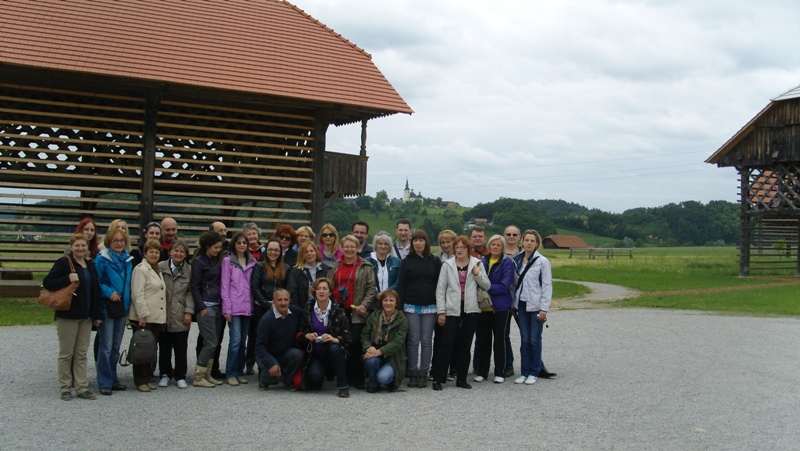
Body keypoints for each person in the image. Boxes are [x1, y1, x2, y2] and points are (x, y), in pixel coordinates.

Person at [44, 233, 103, 401]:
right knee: (66, 354)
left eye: (83, 245)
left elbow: (96, 291)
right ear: (71, 247)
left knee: (81, 354)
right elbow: (48, 282)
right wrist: (67, 279)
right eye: (77, 245)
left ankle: (81, 387)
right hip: (68, 315)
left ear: (87, 247)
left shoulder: (90, 265)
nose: (80, 248)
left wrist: (97, 314)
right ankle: (65, 388)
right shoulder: (64, 263)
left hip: (86, 316)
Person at [432, 235, 489, 390]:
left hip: (471, 309)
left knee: (465, 345)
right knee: (446, 344)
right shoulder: (447, 265)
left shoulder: (477, 264)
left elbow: (487, 285)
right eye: (457, 247)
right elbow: (440, 290)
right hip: (452, 309)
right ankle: (438, 379)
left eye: (463, 247)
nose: (459, 250)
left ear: (468, 249)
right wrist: (441, 311)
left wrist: (477, 274)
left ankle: (461, 378)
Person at [327, 234, 376, 389]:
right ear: (341, 248)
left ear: (357, 248)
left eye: (352, 246)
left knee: (355, 343)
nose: (349, 249)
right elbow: (328, 286)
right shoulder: (334, 266)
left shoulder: (365, 266)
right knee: (341, 343)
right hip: (338, 311)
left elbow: (371, 288)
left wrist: (365, 305)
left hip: (357, 311)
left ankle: (358, 377)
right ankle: (344, 377)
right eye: (346, 246)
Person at [397, 230, 441, 388]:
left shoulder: (434, 261)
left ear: (426, 242)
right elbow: (401, 285)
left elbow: (440, 285)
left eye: (421, 240)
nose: (418, 243)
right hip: (411, 306)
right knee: (413, 340)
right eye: (415, 240)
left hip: (430, 306)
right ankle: (413, 371)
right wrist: (399, 307)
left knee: (427, 340)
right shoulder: (407, 262)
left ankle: (424, 371)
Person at [94, 226, 133, 395]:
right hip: (107, 307)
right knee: (106, 346)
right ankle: (104, 381)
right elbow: (95, 281)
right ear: (109, 242)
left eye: (121, 241)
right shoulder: (102, 259)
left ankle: (113, 378)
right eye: (115, 241)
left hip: (122, 307)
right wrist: (108, 292)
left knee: (116, 346)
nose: (119, 244)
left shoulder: (127, 260)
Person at [298, 278, 351, 398]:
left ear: (330, 292)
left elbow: (348, 337)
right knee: (315, 378)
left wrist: (334, 339)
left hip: (333, 351)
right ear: (315, 292)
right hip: (315, 353)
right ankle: (323, 374)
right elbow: (301, 331)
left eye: (324, 289)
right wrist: (307, 335)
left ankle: (343, 386)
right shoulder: (308, 307)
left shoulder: (338, 310)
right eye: (318, 289)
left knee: (334, 349)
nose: (321, 291)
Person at [512, 229, 553, 385]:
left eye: (532, 241)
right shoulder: (516, 260)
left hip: (536, 305)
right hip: (521, 304)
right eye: (527, 240)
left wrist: (544, 309)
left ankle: (534, 372)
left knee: (534, 340)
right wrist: (513, 304)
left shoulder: (542, 262)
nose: (529, 243)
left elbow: (547, 285)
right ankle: (524, 372)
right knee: (524, 340)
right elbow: (514, 284)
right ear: (522, 242)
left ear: (537, 244)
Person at [473, 235, 515, 384]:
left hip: (500, 307)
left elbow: (504, 286)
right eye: (493, 244)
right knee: (484, 340)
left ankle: (500, 372)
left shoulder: (507, 263)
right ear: (489, 246)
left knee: (499, 340)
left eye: (498, 245)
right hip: (484, 307)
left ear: (502, 247)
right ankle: (482, 372)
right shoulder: (482, 261)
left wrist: (486, 287)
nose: (495, 247)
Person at [129, 239, 168, 393]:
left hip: (155, 317)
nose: (154, 255)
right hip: (144, 317)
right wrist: (142, 315)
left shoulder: (156, 269)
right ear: (145, 253)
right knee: (141, 349)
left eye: (157, 252)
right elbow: (137, 294)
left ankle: (147, 377)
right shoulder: (140, 269)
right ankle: (140, 380)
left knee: (149, 350)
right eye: (151, 252)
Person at [247, 238, 289, 374]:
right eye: (270, 249)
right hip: (262, 306)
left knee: (275, 336)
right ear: (266, 251)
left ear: (280, 252)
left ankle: (274, 365)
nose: (273, 252)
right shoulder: (259, 266)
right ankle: (253, 364)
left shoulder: (286, 268)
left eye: (276, 250)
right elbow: (255, 287)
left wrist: (280, 304)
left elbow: (286, 288)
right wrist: (266, 304)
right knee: (258, 335)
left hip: (280, 306)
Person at [220, 232, 256, 386]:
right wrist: (226, 309)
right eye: (239, 242)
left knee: (242, 342)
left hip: (247, 307)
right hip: (234, 307)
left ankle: (240, 371)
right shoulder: (228, 261)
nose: (242, 245)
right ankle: (231, 372)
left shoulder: (252, 262)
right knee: (234, 341)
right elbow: (224, 286)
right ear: (234, 244)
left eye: (244, 243)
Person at [157, 239, 194, 389]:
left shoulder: (189, 270)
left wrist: (188, 311)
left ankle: (180, 375)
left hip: (180, 312)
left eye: (182, 251)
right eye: (176, 250)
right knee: (164, 347)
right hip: (163, 312)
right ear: (170, 251)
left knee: (180, 347)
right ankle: (165, 374)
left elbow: (190, 292)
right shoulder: (160, 267)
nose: (179, 254)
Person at [191, 231, 224, 388]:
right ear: (207, 246)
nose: (218, 250)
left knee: (214, 342)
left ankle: (207, 374)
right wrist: (201, 307)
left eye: (219, 247)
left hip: (217, 305)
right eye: (216, 247)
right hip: (206, 306)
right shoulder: (198, 262)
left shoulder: (216, 260)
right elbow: (194, 286)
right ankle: (199, 376)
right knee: (210, 342)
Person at [254, 288, 303, 391]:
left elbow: (309, 313)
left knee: (297, 354)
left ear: (289, 300)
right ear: (273, 301)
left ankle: (288, 381)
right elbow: (259, 347)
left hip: (285, 353)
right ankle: (264, 381)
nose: (283, 303)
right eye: (279, 300)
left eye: (286, 299)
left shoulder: (295, 312)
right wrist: (270, 363)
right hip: (267, 353)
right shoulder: (266, 320)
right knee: (270, 368)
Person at [361, 290, 408, 393]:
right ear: (381, 302)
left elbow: (397, 342)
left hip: (393, 357)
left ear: (396, 303)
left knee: (383, 377)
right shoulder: (374, 316)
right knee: (370, 360)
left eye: (391, 300)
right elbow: (365, 334)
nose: (388, 303)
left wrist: (379, 352)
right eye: (385, 300)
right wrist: (368, 347)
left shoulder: (402, 319)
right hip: (375, 352)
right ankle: (373, 383)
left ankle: (391, 380)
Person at [502, 224, 522, 377]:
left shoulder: (525, 254)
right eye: (508, 234)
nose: (511, 237)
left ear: (519, 237)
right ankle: (508, 365)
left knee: (528, 335)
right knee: (504, 335)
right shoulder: (499, 253)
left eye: (514, 234)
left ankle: (535, 365)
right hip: (505, 299)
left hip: (521, 300)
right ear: (504, 236)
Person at [287, 241, 329, 309]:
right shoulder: (295, 272)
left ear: (316, 252)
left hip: (323, 308)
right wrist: (298, 310)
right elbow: (292, 293)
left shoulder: (325, 269)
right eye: (306, 252)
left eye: (311, 251)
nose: (309, 254)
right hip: (302, 309)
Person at [368, 231, 401, 310]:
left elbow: (399, 280)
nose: (383, 246)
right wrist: (376, 293)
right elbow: (366, 281)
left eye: (386, 244)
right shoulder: (367, 261)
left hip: (390, 302)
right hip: (372, 302)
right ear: (375, 245)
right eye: (380, 243)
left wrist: (387, 293)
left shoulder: (397, 262)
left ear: (390, 246)